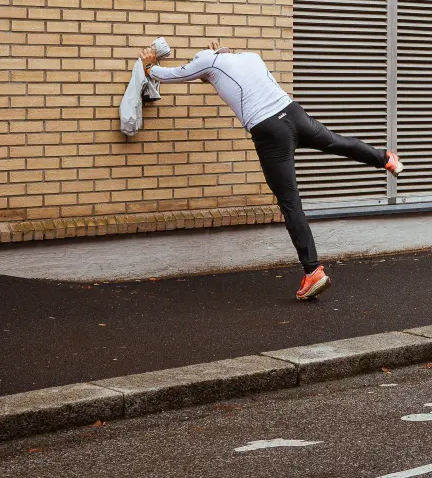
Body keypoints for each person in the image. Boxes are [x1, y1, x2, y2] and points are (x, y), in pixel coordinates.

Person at [138, 39, 403, 301]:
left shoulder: (208, 60)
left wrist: (150, 67)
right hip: (294, 114)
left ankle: (313, 272)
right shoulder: (250, 58)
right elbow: (220, 77)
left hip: (270, 131)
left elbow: (176, 74)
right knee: (336, 142)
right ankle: (385, 159)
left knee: (290, 202)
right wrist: (212, 65)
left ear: (208, 59)